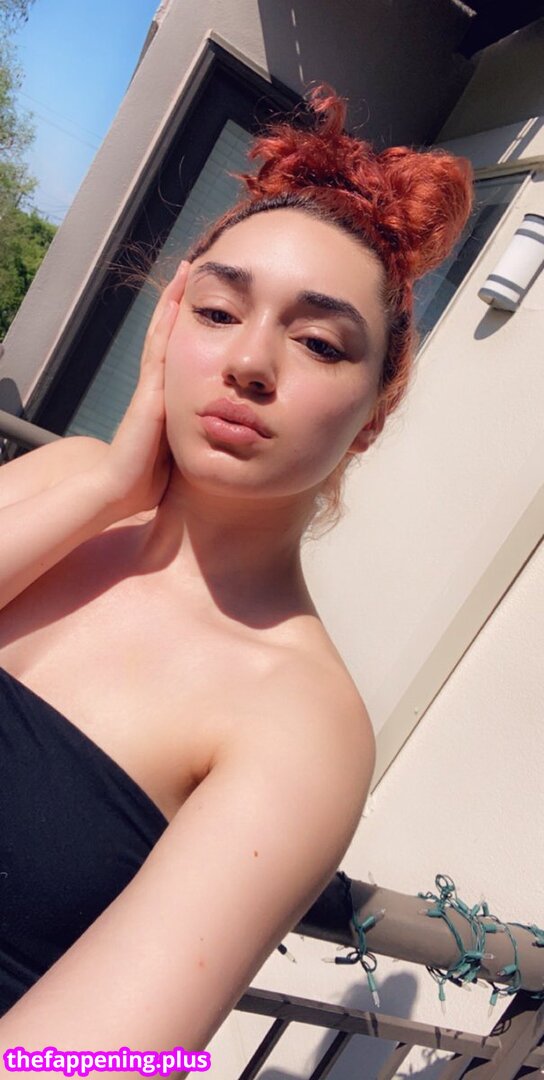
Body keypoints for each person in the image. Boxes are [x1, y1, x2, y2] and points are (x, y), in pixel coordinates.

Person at [0, 83, 473, 1073]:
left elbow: (84, 1062)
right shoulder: (59, 481)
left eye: (318, 343)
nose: (251, 360)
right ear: (169, 329)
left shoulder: (301, 723)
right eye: (217, 311)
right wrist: (105, 489)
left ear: (373, 415)